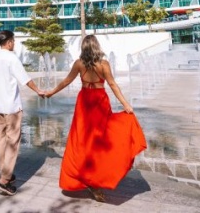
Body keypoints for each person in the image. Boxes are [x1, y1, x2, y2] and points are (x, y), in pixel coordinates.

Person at [45, 35, 147, 202]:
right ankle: (96, 178)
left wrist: (51, 92)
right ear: (97, 46)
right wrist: (126, 104)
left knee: (82, 141)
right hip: (100, 101)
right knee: (101, 140)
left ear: (83, 47)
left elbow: (66, 82)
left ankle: (85, 176)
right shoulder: (104, 64)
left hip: (84, 101)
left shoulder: (79, 64)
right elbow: (113, 85)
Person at [0, 30, 45, 196]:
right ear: (9, 42)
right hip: (11, 107)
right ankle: (4, 181)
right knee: (12, 143)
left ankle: (6, 172)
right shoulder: (11, 58)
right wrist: (38, 90)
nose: (14, 44)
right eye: (14, 41)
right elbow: (25, 79)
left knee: (1, 141)